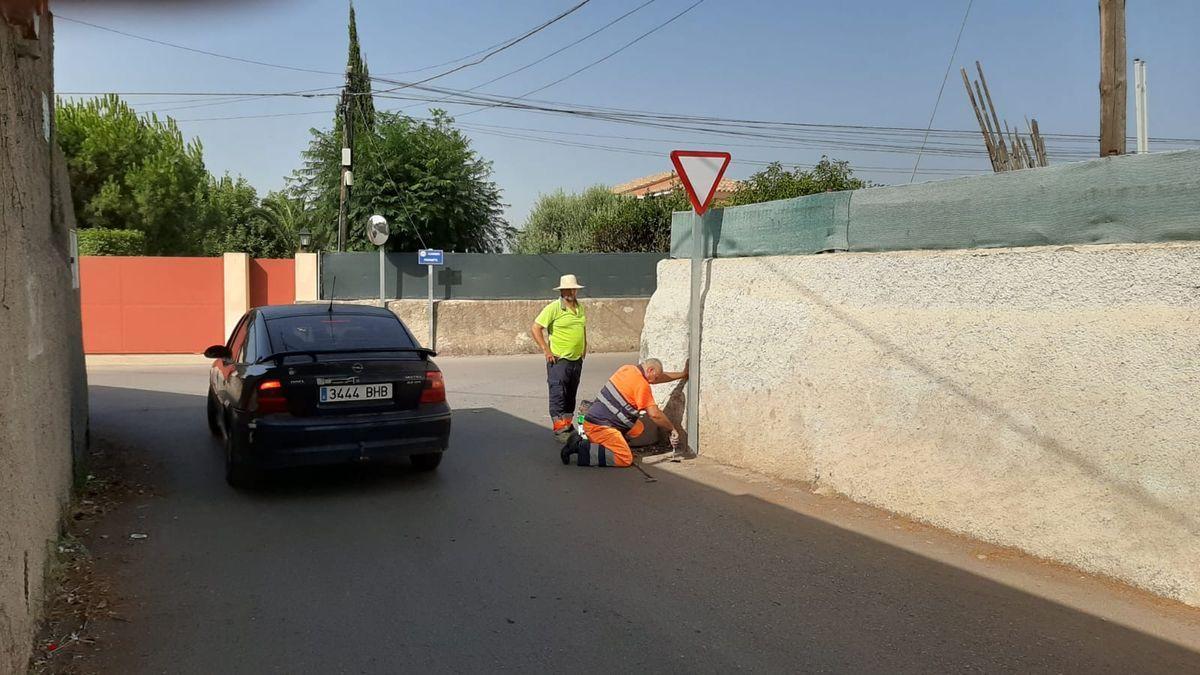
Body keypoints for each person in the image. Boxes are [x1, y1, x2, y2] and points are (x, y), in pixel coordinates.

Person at [561, 358, 688, 468]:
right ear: (650, 370)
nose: (655, 381)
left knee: (638, 428)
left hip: (596, 419)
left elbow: (659, 377)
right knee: (625, 458)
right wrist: (672, 429)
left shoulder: (628, 369)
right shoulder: (641, 385)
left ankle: (610, 444)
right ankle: (579, 447)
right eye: (655, 377)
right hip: (600, 427)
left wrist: (682, 374)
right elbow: (654, 414)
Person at [531, 274, 587, 442]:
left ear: (576, 291)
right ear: (561, 291)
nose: (570, 292)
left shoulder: (580, 308)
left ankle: (567, 426)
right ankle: (559, 429)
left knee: (571, 393)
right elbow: (535, 328)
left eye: (572, 289)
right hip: (559, 360)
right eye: (566, 289)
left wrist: (585, 345)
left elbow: (582, 328)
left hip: (576, 359)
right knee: (558, 394)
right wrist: (546, 350)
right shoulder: (553, 308)